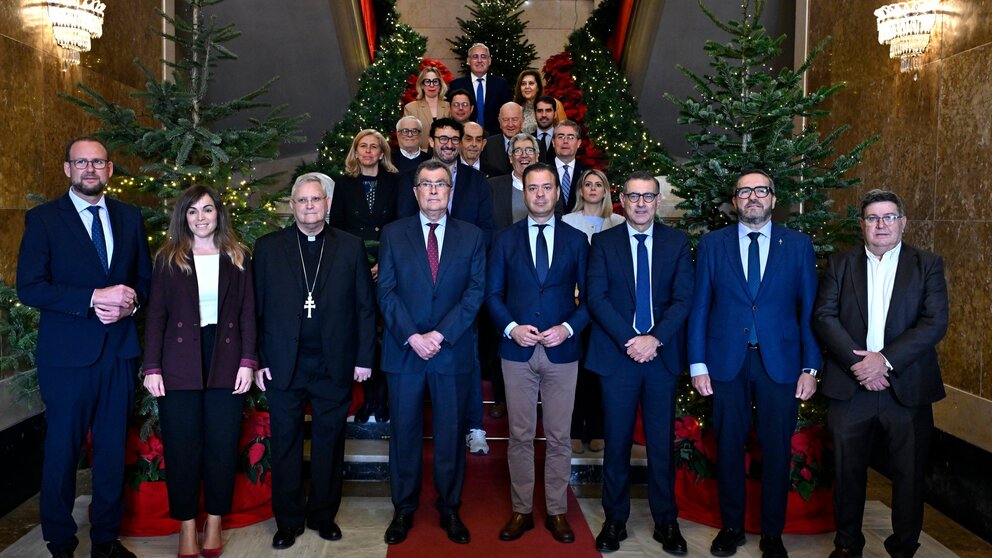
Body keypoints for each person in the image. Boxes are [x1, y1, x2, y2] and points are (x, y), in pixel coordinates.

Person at [17, 135, 152, 558]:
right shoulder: (44, 219)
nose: (90, 169)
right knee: (62, 451)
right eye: (81, 163)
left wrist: (130, 303)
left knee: (113, 452)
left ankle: (106, 541)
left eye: (98, 162)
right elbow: (31, 287)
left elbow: (144, 281)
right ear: (67, 169)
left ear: (110, 170)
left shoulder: (129, 217)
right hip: (67, 358)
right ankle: (60, 542)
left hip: (118, 351)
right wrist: (94, 298)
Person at [688, 169, 821, 558]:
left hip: (780, 364)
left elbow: (808, 311)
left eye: (760, 191)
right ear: (734, 201)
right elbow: (700, 308)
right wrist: (698, 364)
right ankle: (731, 527)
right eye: (744, 192)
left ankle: (772, 533)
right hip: (725, 363)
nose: (753, 198)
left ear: (773, 199)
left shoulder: (797, 246)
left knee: (777, 449)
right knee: (728, 445)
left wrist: (810, 367)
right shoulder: (713, 245)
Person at [813, 189, 948, 558]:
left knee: (909, 475)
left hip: (906, 387)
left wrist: (884, 361)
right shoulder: (841, 264)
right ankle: (847, 544)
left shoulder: (928, 265)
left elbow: (934, 322)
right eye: (873, 218)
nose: (881, 224)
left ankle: (904, 546)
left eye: (889, 217)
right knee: (847, 471)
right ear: (862, 225)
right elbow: (824, 316)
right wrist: (860, 365)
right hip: (850, 386)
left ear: (903, 222)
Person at [253, 173, 376, 550]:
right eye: (302, 201)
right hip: (282, 362)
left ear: (327, 203)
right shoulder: (268, 247)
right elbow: (253, 310)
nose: (309, 206)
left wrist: (363, 357)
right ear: (292, 206)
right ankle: (287, 521)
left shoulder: (350, 247)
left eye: (316, 200)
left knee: (329, 443)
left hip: (333, 362)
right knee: (286, 443)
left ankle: (323, 515)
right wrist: (258, 360)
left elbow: (364, 307)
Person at [142, 185, 256, 558]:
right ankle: (187, 525)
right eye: (192, 211)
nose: (201, 217)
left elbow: (248, 316)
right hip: (178, 363)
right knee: (182, 448)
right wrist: (152, 366)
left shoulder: (238, 256)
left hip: (226, 359)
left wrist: (248, 362)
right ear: (183, 217)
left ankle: (215, 522)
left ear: (219, 214)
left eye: (207, 210)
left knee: (222, 447)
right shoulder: (168, 258)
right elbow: (156, 316)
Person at [378, 160, 487, 545]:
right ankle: (403, 510)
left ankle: (450, 508)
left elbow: (475, 293)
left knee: (450, 434)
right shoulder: (393, 234)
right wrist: (413, 336)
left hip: (451, 351)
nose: (434, 190)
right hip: (405, 351)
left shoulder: (471, 236)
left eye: (441, 184)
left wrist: (440, 335)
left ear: (450, 191)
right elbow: (386, 291)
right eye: (427, 184)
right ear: (415, 192)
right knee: (404, 434)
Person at [585, 171, 693, 554]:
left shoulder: (677, 243)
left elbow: (683, 299)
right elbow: (596, 298)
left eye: (649, 197)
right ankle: (615, 521)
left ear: (658, 201)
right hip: (618, 357)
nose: (642, 203)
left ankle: (667, 522)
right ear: (622, 201)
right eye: (634, 197)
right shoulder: (603, 242)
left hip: (660, 358)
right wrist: (631, 340)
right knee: (616, 443)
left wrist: (654, 339)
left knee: (661, 444)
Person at [486, 162, 589, 544]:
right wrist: (512, 328)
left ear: (557, 193)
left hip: (563, 351)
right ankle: (522, 510)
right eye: (533, 188)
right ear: (524, 193)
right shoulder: (505, 239)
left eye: (547, 187)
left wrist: (567, 328)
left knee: (560, 436)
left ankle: (558, 511)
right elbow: (492, 295)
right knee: (520, 435)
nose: (540, 194)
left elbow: (591, 299)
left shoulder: (577, 240)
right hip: (517, 351)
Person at [329, 130, 399, 423]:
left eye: (374, 147)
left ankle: (382, 401)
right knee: (362, 334)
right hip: (355, 267)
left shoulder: (397, 182)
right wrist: (358, 264)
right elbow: (338, 229)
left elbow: (401, 226)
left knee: (386, 335)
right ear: (355, 153)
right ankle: (366, 401)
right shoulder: (344, 185)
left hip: (388, 267)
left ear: (383, 153)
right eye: (363, 147)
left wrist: (385, 263)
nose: (369, 151)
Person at [561, 169, 624, 454]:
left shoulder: (619, 222)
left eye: (599, 184)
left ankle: (597, 429)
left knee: (600, 371)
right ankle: (575, 429)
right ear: (580, 190)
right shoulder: (566, 221)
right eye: (588, 184)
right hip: (574, 307)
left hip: (610, 308)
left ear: (607, 190)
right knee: (577, 372)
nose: (593, 188)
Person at [448, 43, 513, 135]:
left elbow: (507, 113)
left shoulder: (501, 84)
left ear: (489, 61)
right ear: (468, 61)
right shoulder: (457, 85)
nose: (479, 60)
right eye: (475, 57)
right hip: (465, 136)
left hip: (495, 137)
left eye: (483, 57)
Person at [490, 133, 538, 231]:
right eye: (518, 151)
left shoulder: (550, 186)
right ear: (511, 158)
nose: (524, 155)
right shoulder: (492, 186)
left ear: (537, 156)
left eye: (529, 150)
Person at [403, 66, 450, 151]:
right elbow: (407, 138)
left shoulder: (449, 107)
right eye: (427, 81)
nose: (431, 85)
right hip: (420, 157)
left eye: (435, 81)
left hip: (446, 156)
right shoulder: (410, 108)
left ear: (440, 85)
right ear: (421, 85)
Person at [551, 120, 589, 214]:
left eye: (571, 137)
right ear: (553, 142)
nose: (565, 141)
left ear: (579, 143)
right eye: (560, 137)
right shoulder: (542, 171)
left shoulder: (587, 173)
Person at [513, 70, 567, 135]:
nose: (527, 87)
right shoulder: (516, 108)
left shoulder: (554, 103)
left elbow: (565, 131)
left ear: (538, 87)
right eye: (523, 84)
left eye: (531, 83)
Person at [480, 102, 524, 177]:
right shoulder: (488, 144)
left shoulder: (535, 144)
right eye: (505, 119)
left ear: (522, 121)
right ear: (499, 121)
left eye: (514, 119)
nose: (510, 124)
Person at [533, 96, 560, 164]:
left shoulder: (562, 140)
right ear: (534, 114)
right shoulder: (528, 139)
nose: (544, 115)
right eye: (540, 111)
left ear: (555, 114)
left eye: (548, 110)